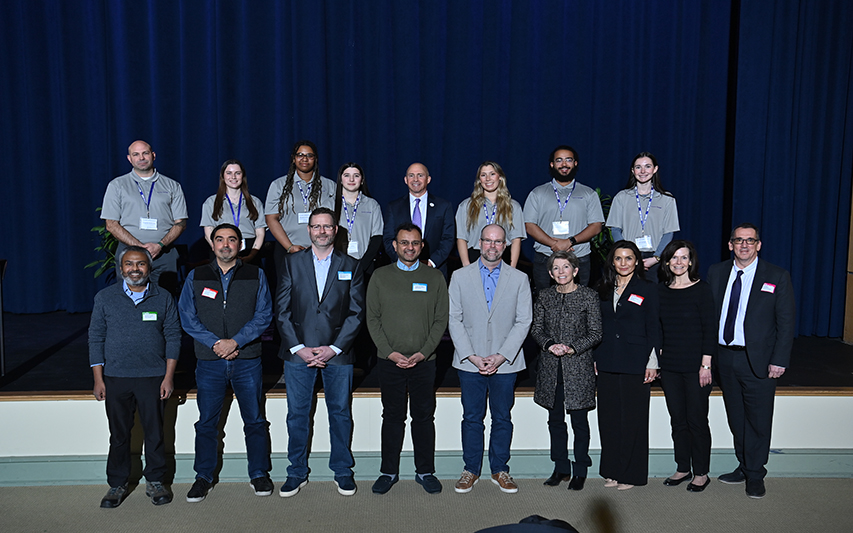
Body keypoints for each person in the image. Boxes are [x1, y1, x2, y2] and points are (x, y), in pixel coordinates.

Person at [178, 224, 274, 502]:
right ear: (213, 244)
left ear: (240, 245)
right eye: (220, 239)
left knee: (255, 420)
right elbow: (187, 316)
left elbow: (264, 314)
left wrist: (236, 342)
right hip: (210, 361)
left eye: (232, 240)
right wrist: (216, 343)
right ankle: (203, 477)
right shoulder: (196, 275)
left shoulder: (256, 274)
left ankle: (259, 473)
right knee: (206, 423)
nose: (226, 244)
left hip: (247, 360)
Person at [275, 207, 365, 498]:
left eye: (327, 226)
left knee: (339, 413)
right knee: (297, 414)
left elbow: (356, 312)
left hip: (337, 353)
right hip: (298, 353)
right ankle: (296, 472)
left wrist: (334, 348)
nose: (322, 231)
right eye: (316, 227)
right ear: (309, 230)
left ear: (335, 230)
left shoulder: (351, 263)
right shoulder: (291, 263)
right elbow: (282, 311)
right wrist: (299, 348)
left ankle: (342, 471)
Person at [708, 223, 795, 499]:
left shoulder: (777, 276)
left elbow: (786, 323)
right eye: (738, 240)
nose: (744, 245)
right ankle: (744, 465)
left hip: (759, 361)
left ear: (758, 245)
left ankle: (756, 474)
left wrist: (779, 360)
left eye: (750, 240)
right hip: (725, 358)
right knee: (737, 418)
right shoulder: (717, 272)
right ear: (730, 245)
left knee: (758, 420)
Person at [88, 246, 180, 508]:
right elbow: (96, 338)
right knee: (118, 435)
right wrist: (98, 379)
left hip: (153, 377)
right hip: (115, 377)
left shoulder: (163, 298)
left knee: (155, 433)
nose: (134, 269)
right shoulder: (105, 298)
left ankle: (155, 481)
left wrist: (168, 377)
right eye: (129, 264)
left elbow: (173, 337)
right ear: (121, 268)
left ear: (149, 269)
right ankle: (117, 484)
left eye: (140, 264)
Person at [448, 224, 533, 494]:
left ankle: (500, 470)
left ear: (505, 245)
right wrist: (472, 355)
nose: (492, 246)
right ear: (479, 242)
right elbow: (454, 318)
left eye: (498, 242)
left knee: (502, 418)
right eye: (488, 241)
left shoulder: (519, 279)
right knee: (472, 418)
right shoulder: (460, 277)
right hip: (468, 361)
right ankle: (470, 469)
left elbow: (524, 321)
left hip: (505, 363)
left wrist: (501, 356)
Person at [366, 223, 449, 495]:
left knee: (423, 418)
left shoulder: (434, 277)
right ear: (395, 245)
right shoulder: (379, 277)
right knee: (392, 416)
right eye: (404, 243)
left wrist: (423, 352)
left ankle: (425, 471)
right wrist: (390, 353)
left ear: (421, 245)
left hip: (424, 361)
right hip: (389, 361)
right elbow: (372, 319)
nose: (409, 247)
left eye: (414, 243)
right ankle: (388, 472)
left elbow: (440, 320)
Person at [530, 251, 601, 492]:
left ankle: (580, 469)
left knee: (579, 423)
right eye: (556, 268)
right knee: (555, 422)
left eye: (566, 267)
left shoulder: (589, 296)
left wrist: (572, 348)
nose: (561, 272)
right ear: (550, 273)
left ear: (575, 270)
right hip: (551, 368)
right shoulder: (544, 297)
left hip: (578, 368)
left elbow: (595, 333)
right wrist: (550, 345)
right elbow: (536, 329)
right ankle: (561, 467)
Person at [593, 240, 660, 490]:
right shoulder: (601, 287)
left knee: (633, 419)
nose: (623, 263)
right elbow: (596, 326)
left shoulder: (648, 288)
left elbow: (654, 327)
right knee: (609, 418)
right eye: (618, 258)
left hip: (636, 360)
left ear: (637, 261)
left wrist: (652, 362)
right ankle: (612, 470)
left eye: (628, 258)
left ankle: (631, 474)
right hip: (607, 359)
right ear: (612, 261)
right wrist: (595, 359)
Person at [657, 240, 716, 492]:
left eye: (684, 258)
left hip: (696, 367)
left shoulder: (702, 290)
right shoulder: (661, 290)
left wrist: (706, 364)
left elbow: (710, 329)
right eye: (674, 258)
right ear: (667, 261)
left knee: (697, 420)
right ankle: (683, 467)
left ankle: (701, 472)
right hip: (669, 366)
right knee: (678, 420)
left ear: (691, 261)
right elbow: (657, 327)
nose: (678, 262)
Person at [101, 140, 188, 294]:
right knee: (129, 300)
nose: (141, 157)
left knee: (164, 298)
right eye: (136, 154)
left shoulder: (172, 186)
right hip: (129, 253)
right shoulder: (117, 185)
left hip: (163, 254)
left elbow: (180, 223)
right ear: (129, 158)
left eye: (145, 153)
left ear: (153, 155)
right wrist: (139, 248)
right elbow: (111, 224)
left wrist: (160, 245)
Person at [523, 145, 604, 290]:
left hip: (579, 258)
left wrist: (570, 241)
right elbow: (529, 225)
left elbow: (596, 225)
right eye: (559, 160)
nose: (564, 164)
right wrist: (554, 244)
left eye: (568, 160)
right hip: (545, 257)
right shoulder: (538, 193)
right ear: (552, 164)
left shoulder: (588, 193)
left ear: (575, 163)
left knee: (578, 305)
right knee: (545, 304)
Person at [264, 140, 336, 276]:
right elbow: (271, 219)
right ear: (293, 158)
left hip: (322, 249)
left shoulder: (330, 186)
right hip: (287, 249)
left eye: (309, 155)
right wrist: (290, 247)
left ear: (315, 159)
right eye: (300, 155)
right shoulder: (278, 185)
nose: (305, 159)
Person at [605, 152, 680, 279]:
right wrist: (628, 256)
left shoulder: (667, 199)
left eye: (647, 166)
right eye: (638, 167)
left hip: (655, 259)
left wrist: (656, 258)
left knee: (652, 296)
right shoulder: (622, 197)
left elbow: (668, 233)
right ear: (633, 171)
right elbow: (615, 230)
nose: (643, 171)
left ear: (655, 169)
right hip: (628, 260)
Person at [383, 162, 455, 278]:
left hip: (434, 270)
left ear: (428, 179)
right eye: (411, 175)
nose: (415, 179)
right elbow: (388, 239)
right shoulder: (394, 207)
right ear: (406, 180)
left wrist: (431, 262)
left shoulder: (443, 206)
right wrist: (405, 262)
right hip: (401, 271)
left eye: (420, 175)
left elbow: (448, 238)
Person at [456, 161, 526, 268]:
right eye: (483, 175)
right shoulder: (466, 206)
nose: (488, 178)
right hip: (474, 257)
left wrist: (512, 269)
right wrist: (466, 266)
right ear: (479, 180)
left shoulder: (513, 206)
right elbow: (461, 238)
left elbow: (516, 240)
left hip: (503, 257)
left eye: (492, 174)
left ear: (500, 177)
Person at [200, 160, 266, 264]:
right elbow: (208, 230)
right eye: (229, 173)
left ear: (242, 176)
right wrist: (217, 250)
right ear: (223, 176)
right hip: (222, 249)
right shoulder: (211, 202)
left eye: (237, 173)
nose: (233, 177)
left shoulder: (255, 202)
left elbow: (260, 233)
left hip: (249, 250)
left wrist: (252, 255)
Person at [333, 162, 384, 275]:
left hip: (365, 266)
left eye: (356, 175)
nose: (351, 179)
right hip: (336, 265)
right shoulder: (329, 203)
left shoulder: (372, 205)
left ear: (362, 180)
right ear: (341, 180)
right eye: (347, 175)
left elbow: (377, 238)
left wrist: (362, 266)